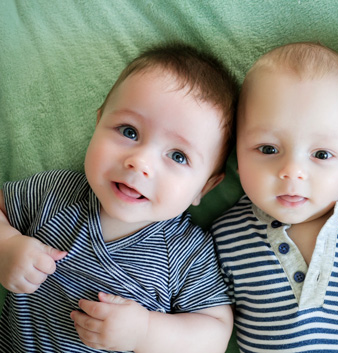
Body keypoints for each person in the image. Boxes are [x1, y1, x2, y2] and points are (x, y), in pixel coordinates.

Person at [0, 43, 237, 352]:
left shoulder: (186, 254)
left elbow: (215, 335)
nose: (140, 163)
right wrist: (5, 245)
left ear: (203, 188)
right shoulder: (54, 194)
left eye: (178, 156)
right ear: (98, 123)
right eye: (128, 132)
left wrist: (146, 333)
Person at [210, 42, 338, 353]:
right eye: (268, 149)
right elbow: (215, 323)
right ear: (235, 150)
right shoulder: (225, 236)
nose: (292, 172)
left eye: (321, 154)